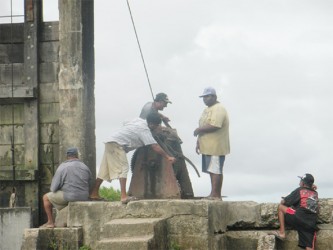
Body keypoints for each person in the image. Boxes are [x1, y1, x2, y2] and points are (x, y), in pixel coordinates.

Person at [89, 112, 176, 204]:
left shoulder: (138, 121)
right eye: (157, 125)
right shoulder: (144, 130)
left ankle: (94, 194)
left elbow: (125, 123)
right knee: (124, 168)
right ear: (151, 124)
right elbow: (154, 146)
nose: (157, 127)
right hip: (118, 145)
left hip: (110, 142)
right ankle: (123, 197)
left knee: (104, 169)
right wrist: (168, 157)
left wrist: (161, 117)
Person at [193, 87, 230, 200]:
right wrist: (199, 141)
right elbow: (204, 124)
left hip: (215, 146)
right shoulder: (208, 109)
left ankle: (216, 195)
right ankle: (213, 193)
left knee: (216, 170)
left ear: (214, 97)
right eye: (204, 97)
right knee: (212, 170)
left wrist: (198, 130)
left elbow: (215, 125)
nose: (205, 99)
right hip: (207, 146)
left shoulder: (219, 108)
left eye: (207, 96)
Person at [41, 147, 91, 228]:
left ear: (67, 156)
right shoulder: (85, 167)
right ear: (77, 155)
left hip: (70, 197)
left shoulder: (63, 167)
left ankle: (50, 222)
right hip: (84, 196)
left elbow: (53, 188)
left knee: (46, 197)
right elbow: (89, 182)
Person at [272, 174, 319, 250]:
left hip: (298, 217)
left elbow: (283, 202)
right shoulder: (315, 193)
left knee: (281, 207)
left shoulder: (300, 190)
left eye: (300, 181)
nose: (299, 183)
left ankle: (282, 233)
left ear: (303, 183)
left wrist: (285, 199)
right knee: (309, 246)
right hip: (310, 224)